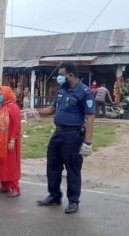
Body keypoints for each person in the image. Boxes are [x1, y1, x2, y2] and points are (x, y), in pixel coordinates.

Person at [37, 62, 95, 214]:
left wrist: (88, 142)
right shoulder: (62, 89)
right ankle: (54, 196)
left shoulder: (85, 92)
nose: (59, 78)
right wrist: (36, 112)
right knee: (53, 166)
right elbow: (53, 108)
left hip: (73, 135)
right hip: (58, 133)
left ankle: (73, 201)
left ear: (70, 75)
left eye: (62, 75)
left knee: (72, 169)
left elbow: (90, 117)